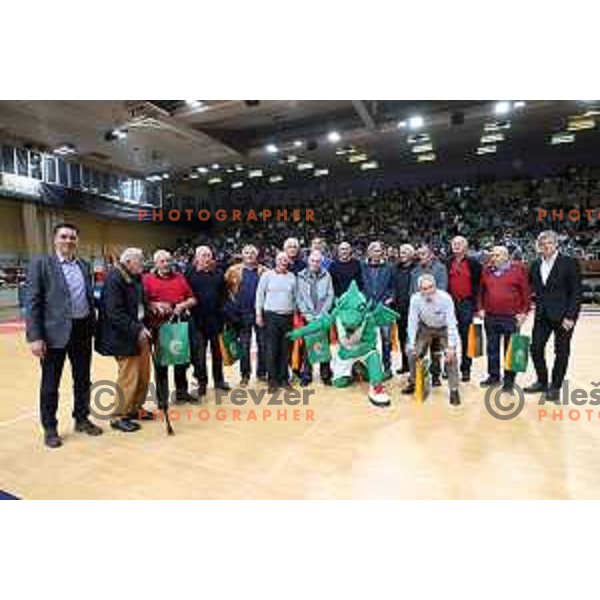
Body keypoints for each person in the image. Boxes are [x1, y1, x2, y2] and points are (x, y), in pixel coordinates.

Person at [25, 222, 102, 448]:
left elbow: (87, 297)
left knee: (82, 380)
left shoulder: (84, 265)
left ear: (77, 241)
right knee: (50, 384)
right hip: (52, 334)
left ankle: (81, 418)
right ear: (55, 240)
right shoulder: (42, 264)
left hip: (82, 331)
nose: (69, 241)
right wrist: (35, 337)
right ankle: (50, 428)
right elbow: (33, 302)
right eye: (64, 236)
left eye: (72, 237)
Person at [96, 248, 151, 433]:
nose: (143, 264)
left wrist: (152, 308)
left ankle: (135, 408)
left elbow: (140, 304)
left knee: (143, 374)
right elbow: (114, 313)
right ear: (128, 262)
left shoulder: (135, 277)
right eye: (140, 261)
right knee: (128, 377)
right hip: (124, 336)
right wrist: (137, 329)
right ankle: (119, 416)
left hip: (139, 332)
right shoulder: (115, 278)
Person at [524, 230, 582, 401]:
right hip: (542, 315)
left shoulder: (569, 262)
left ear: (556, 244)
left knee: (561, 352)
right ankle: (542, 381)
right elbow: (526, 288)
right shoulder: (534, 265)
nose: (546, 246)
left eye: (549, 243)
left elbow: (576, 292)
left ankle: (555, 387)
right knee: (535, 349)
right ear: (538, 247)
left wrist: (571, 316)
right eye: (542, 244)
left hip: (564, 317)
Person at [143, 250, 196, 406]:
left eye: (168, 260)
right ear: (156, 263)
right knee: (161, 365)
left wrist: (183, 305)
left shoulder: (180, 278)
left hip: (178, 325)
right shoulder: (147, 279)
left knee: (181, 362)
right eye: (162, 261)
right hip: (158, 327)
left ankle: (181, 393)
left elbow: (193, 299)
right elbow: (141, 301)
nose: (166, 264)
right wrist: (153, 304)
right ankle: (162, 399)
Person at [402, 274, 461, 406]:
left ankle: (454, 389)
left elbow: (452, 322)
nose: (428, 291)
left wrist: (451, 347)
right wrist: (410, 343)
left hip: (443, 328)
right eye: (424, 288)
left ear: (435, 286)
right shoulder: (415, 299)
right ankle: (413, 382)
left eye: (430, 287)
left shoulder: (445, 298)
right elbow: (412, 322)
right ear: (419, 290)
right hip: (425, 327)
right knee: (413, 354)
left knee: (451, 357)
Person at [478, 246, 530, 390]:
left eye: (497, 255)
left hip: (511, 318)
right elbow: (480, 292)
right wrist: (480, 308)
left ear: (506, 257)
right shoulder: (486, 270)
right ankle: (494, 376)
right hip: (491, 316)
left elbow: (526, 293)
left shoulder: (518, 270)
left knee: (511, 349)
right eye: (493, 255)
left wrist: (524, 312)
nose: (494, 257)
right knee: (492, 348)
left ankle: (509, 381)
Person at [186, 245, 231, 400]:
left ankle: (219, 381)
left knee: (217, 353)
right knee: (199, 355)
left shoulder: (218, 274)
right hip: (197, 321)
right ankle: (202, 383)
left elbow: (224, 296)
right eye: (204, 255)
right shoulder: (189, 274)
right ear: (197, 258)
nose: (207, 258)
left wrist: (223, 313)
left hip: (216, 320)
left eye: (209, 255)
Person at [224, 244, 267, 386]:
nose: (249, 255)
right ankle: (245, 375)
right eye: (246, 253)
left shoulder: (264, 271)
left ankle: (261, 373)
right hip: (242, 315)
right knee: (244, 346)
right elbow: (225, 291)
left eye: (252, 253)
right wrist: (231, 311)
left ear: (257, 255)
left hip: (260, 313)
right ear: (242, 255)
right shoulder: (233, 271)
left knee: (263, 344)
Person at [255, 252, 297, 392]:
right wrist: (258, 315)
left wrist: (297, 316)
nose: (283, 262)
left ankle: (283, 379)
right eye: (280, 259)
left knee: (286, 349)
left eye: (286, 260)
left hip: (288, 316)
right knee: (271, 349)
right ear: (275, 261)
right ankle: (272, 381)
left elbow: (296, 298)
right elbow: (259, 296)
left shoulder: (292, 277)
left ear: (288, 262)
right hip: (271, 316)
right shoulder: (267, 276)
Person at [409, 245, 449, 384]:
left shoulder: (440, 269)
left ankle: (436, 375)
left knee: (436, 348)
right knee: (420, 349)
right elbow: (413, 292)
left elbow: (442, 288)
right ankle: (416, 379)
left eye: (424, 254)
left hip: (437, 315)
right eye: (419, 254)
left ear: (431, 254)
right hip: (421, 316)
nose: (422, 257)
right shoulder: (415, 271)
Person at [296, 249, 334, 386]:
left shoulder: (327, 275)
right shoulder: (300, 276)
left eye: (318, 261)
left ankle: (326, 374)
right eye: (313, 260)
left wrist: (322, 314)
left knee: (324, 345)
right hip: (308, 317)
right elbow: (299, 297)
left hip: (322, 317)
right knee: (307, 346)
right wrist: (306, 314)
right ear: (308, 261)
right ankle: (307, 375)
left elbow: (330, 295)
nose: (315, 263)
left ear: (321, 262)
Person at [446, 236, 481, 382]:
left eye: (459, 243)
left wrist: (478, 307)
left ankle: (466, 369)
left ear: (466, 247)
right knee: (448, 337)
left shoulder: (473, 263)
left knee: (467, 337)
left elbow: (480, 286)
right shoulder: (447, 262)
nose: (456, 246)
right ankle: (448, 367)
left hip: (466, 304)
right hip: (450, 304)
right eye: (454, 243)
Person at [360, 241, 395, 377]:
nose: (376, 252)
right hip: (368, 309)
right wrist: (363, 300)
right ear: (369, 252)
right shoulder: (362, 267)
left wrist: (390, 298)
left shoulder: (389, 268)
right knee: (368, 339)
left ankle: (387, 367)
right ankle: (370, 368)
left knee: (386, 339)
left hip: (383, 308)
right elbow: (360, 285)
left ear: (382, 252)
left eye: (379, 250)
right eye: (373, 250)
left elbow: (393, 287)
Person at [394, 244, 416, 374]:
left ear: (411, 254)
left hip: (413, 309)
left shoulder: (416, 269)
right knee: (402, 337)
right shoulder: (395, 268)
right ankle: (405, 364)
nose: (402, 254)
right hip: (399, 308)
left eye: (405, 252)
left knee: (414, 338)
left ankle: (415, 366)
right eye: (401, 252)